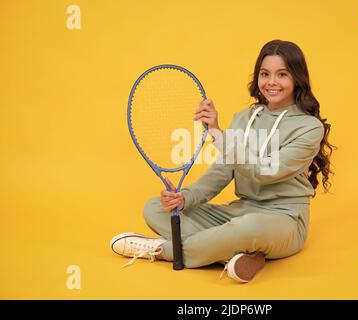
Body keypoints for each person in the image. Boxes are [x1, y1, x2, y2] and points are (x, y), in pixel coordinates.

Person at [110, 39, 336, 283]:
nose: (271, 82)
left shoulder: (309, 127)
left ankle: (160, 250)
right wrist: (185, 197)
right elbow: (221, 173)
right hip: (239, 213)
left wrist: (218, 133)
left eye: (282, 74)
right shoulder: (243, 118)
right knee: (156, 208)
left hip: (284, 220)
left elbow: (265, 171)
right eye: (265, 74)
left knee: (250, 228)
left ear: (297, 79)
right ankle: (240, 254)